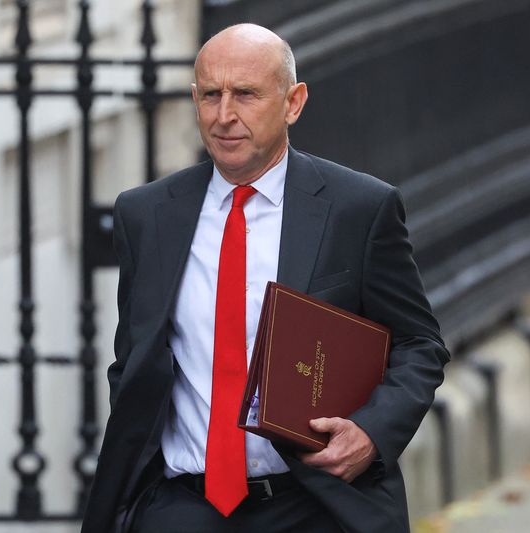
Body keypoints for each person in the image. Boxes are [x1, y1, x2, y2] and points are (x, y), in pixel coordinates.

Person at [81, 23, 449, 533]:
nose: (224, 115)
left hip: (315, 503)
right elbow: (135, 358)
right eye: (211, 95)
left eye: (246, 95)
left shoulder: (358, 209)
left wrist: (370, 433)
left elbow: (419, 344)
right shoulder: (146, 215)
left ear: (293, 103)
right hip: (183, 506)